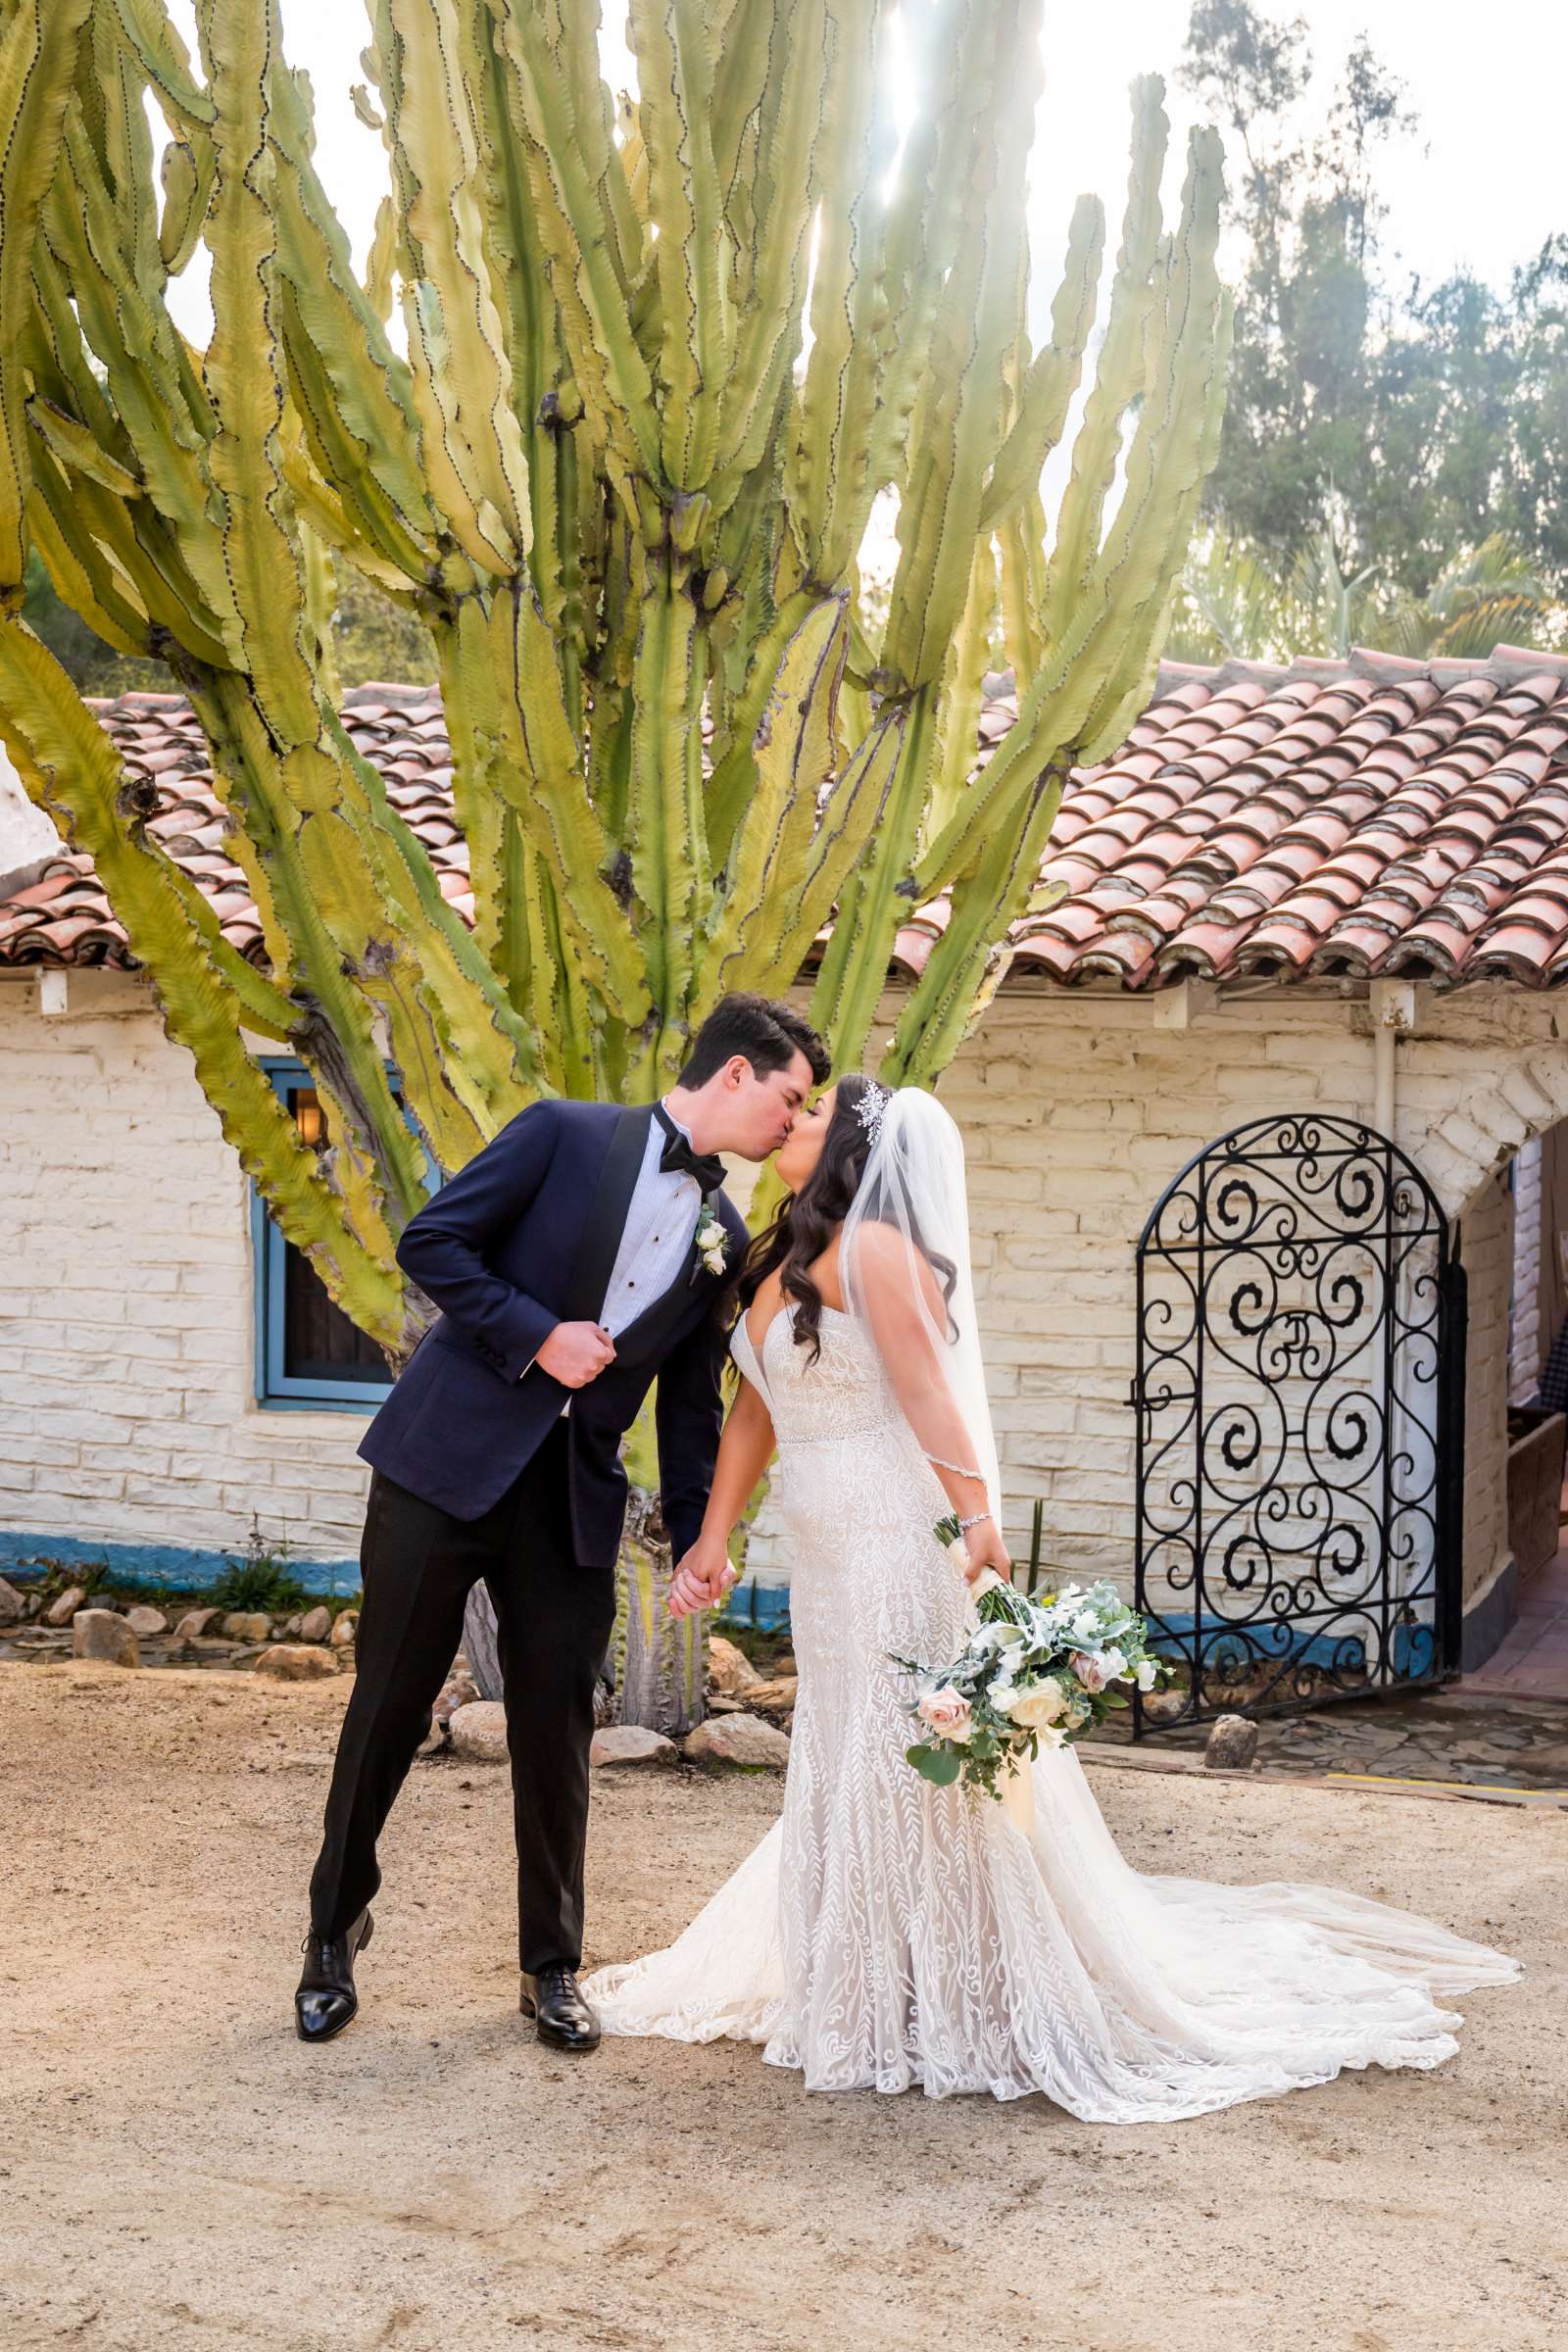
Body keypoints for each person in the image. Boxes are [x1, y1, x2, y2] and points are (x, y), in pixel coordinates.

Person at [581, 1077, 1522, 2117]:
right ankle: (863, 1975)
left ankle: (951, 1986)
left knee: (910, 1756)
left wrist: (977, 1520)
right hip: (823, 1550)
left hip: (896, 1535)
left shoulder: (876, 1254)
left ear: (851, 1153)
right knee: (843, 1739)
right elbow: (754, 1406)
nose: (785, 1124)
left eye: (807, 1116)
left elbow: (931, 1393)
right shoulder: (775, 1260)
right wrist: (713, 1533)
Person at [294, 994, 830, 2053]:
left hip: (573, 1500)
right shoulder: (561, 1131)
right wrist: (538, 1335)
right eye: (789, 1095)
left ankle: (552, 1968)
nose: (792, 1119)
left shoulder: (722, 1233)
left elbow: (687, 1400)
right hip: (441, 1468)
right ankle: (328, 1935)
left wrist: (695, 1536)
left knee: (558, 1734)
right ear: (734, 1074)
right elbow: (432, 1241)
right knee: (388, 1707)